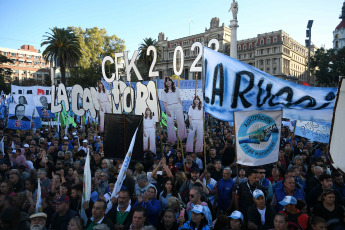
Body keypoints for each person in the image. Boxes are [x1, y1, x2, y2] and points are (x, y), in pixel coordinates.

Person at [161, 76, 187, 142]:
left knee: (181, 121)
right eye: (166, 81)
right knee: (170, 123)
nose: (168, 82)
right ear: (165, 83)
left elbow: (179, 99)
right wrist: (167, 110)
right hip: (169, 107)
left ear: (171, 81)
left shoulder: (176, 89)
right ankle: (172, 138)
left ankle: (182, 137)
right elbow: (164, 102)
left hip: (177, 106)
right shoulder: (164, 91)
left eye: (169, 80)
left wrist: (181, 106)